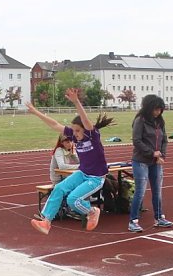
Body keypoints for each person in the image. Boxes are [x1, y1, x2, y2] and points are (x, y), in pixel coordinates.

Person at [26, 88, 114, 234]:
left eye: (78, 131)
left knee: (73, 199)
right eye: (73, 131)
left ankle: (92, 211)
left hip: (96, 178)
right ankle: (46, 222)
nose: (75, 134)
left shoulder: (93, 136)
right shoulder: (74, 137)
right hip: (83, 173)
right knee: (59, 188)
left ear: (85, 130)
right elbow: (54, 124)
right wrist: (36, 112)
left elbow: (85, 120)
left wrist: (76, 102)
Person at [128, 94, 173, 233]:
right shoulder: (140, 121)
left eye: (160, 109)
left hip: (156, 162)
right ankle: (133, 221)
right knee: (140, 192)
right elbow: (137, 141)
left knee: (157, 191)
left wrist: (162, 155)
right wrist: (151, 153)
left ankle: (159, 217)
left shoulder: (160, 122)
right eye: (156, 109)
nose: (158, 112)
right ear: (148, 108)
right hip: (141, 161)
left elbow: (164, 140)